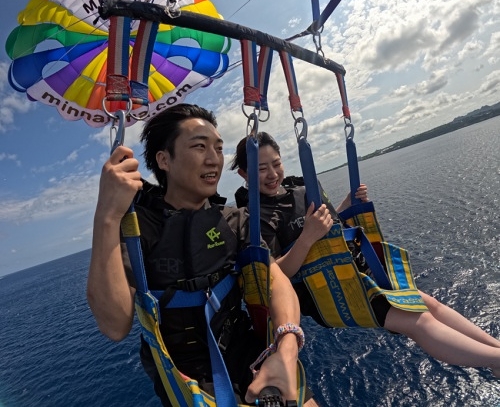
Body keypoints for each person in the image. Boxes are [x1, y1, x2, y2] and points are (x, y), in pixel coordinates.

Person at [87, 105, 320, 406]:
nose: (214, 159)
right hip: (183, 375)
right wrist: (107, 215)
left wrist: (286, 348)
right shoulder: (138, 230)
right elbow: (115, 325)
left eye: (218, 148)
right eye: (199, 146)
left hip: (245, 352)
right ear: (164, 160)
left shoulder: (234, 220)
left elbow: (276, 281)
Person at [230, 131, 500, 378]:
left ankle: (496, 354)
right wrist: (307, 238)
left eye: (276, 164)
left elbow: (330, 227)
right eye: (261, 169)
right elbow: (277, 275)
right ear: (244, 174)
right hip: (329, 292)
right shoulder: (254, 219)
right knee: (418, 322)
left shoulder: (300, 191)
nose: (272, 174)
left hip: (355, 269)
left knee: (429, 304)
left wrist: (347, 204)